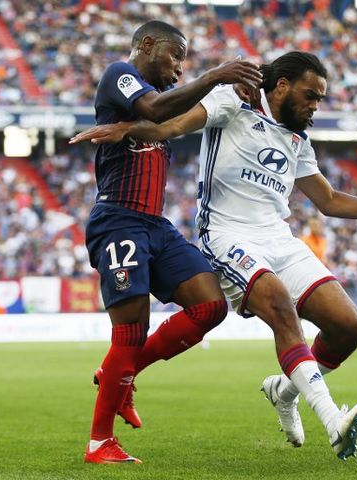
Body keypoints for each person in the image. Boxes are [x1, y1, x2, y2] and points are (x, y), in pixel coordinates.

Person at [71, 51, 357, 459]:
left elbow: (331, 200)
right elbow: (174, 124)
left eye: (319, 98)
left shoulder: (298, 138)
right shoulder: (233, 100)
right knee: (281, 306)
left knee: (350, 327)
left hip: (279, 239)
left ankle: (284, 391)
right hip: (227, 235)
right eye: (310, 95)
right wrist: (127, 129)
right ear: (281, 86)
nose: (315, 105)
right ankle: (333, 419)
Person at [80, 20, 262, 464]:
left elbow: (170, 120)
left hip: (155, 225)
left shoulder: (162, 99)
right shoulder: (119, 74)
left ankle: (118, 374)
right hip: (118, 219)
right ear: (146, 44)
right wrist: (216, 75)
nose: (180, 68)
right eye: (175, 56)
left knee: (210, 306)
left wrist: (227, 97)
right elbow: (157, 110)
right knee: (131, 329)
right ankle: (99, 442)